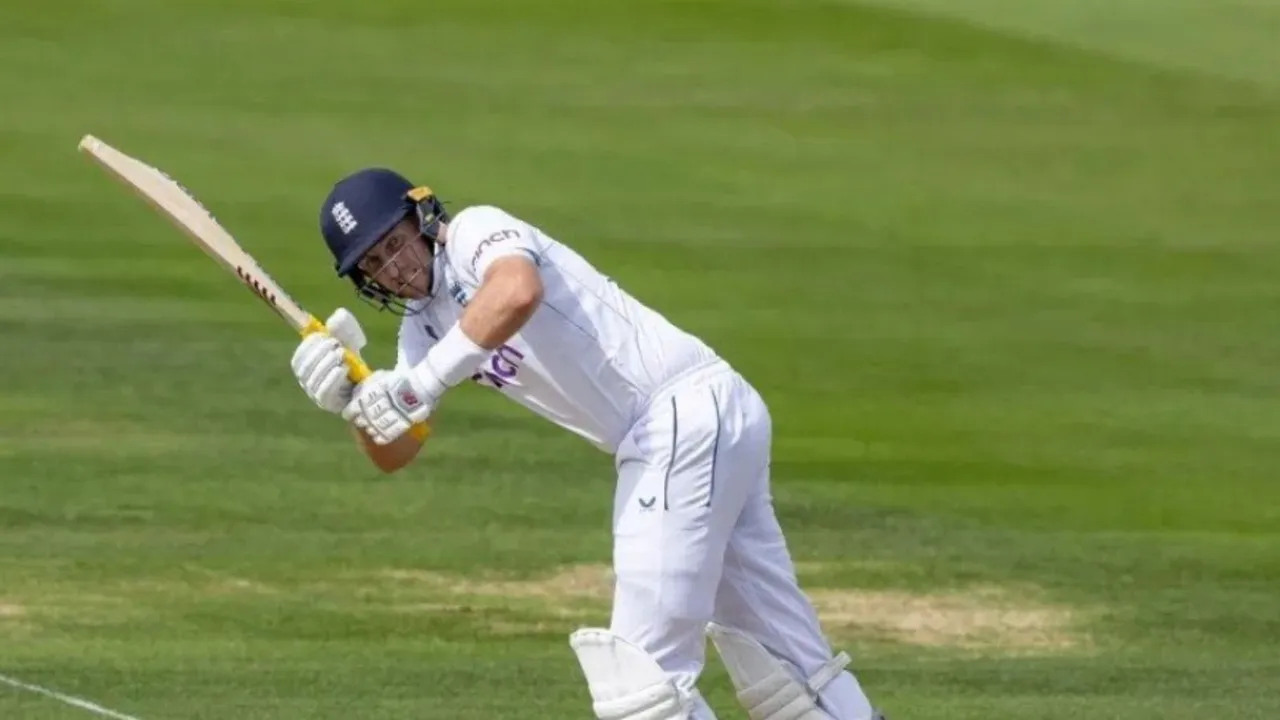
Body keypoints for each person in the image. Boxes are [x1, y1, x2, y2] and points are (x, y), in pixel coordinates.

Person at [289, 167, 886, 720]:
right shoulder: (423, 328)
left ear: (421, 218)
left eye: (394, 243)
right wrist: (356, 398)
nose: (394, 268)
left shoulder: (476, 233)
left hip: (674, 418)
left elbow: (517, 291)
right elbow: (398, 450)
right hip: (701, 422)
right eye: (374, 263)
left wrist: (416, 387)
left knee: (642, 685)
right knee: (785, 669)